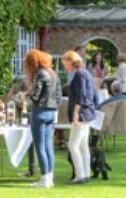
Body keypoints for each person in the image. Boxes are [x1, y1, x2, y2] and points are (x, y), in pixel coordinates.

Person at [24, 50, 62, 188]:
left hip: (40, 112)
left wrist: (27, 97)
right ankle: (49, 177)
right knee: (48, 146)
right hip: (52, 112)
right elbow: (58, 96)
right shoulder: (53, 74)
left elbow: (36, 96)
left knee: (40, 146)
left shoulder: (40, 74)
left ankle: (45, 178)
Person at [62, 50, 98, 185]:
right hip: (88, 112)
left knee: (73, 145)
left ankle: (80, 175)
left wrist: (76, 113)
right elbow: (94, 95)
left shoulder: (78, 75)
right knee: (83, 145)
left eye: (66, 63)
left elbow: (81, 95)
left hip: (82, 114)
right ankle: (86, 173)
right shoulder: (86, 73)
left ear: (71, 61)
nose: (65, 67)